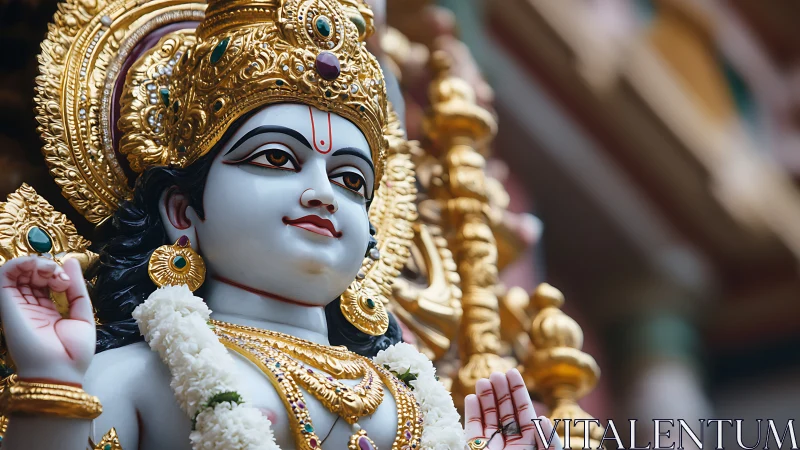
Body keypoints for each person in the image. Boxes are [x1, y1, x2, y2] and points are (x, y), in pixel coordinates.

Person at [0, 0, 561, 448]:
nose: (322, 193)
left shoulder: (418, 406)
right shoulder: (142, 377)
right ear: (182, 211)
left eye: (350, 181)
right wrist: (52, 381)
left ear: (370, 237)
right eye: (276, 159)